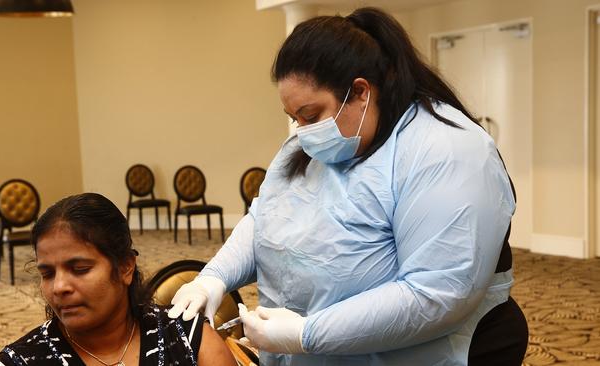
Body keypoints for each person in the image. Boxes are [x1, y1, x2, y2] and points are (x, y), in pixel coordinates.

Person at [168, 7, 528, 366]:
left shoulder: (446, 150)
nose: (302, 131)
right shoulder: (310, 145)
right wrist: (213, 279)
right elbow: (265, 218)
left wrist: (306, 333)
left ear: (360, 92)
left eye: (310, 115)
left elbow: (434, 294)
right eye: (293, 118)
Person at [0, 193, 235, 366]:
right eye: (47, 274)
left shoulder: (186, 339)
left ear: (125, 267)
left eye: (79, 269)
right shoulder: (22, 360)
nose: (59, 287)